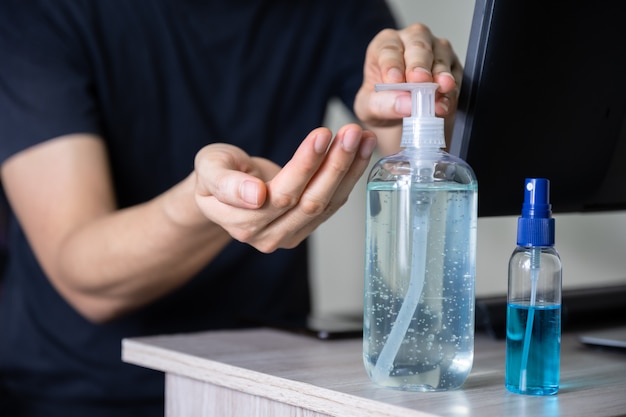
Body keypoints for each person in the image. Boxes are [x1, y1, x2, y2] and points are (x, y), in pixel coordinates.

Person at [0, 0, 462, 415]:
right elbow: (82, 274)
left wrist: (423, 96)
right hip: (82, 391)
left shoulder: (335, 9)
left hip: (269, 380)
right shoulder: (39, 14)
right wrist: (205, 205)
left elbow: (416, 151)